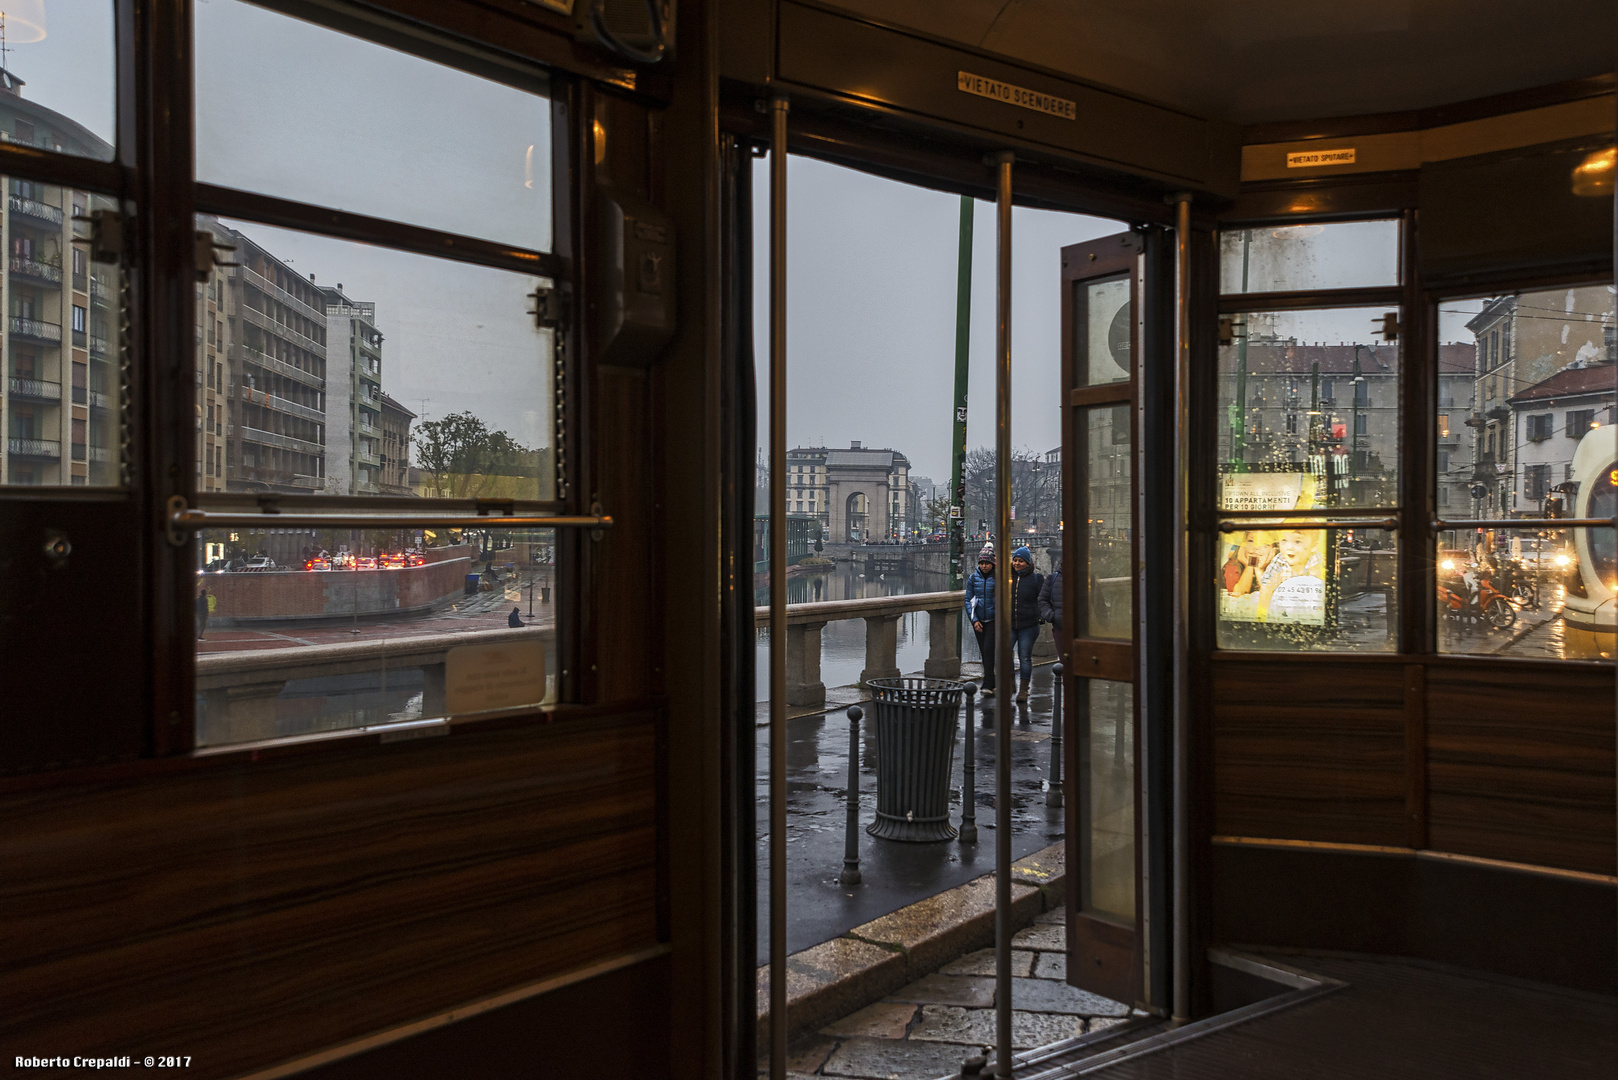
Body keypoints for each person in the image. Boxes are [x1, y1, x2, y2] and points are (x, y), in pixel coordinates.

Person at [1008, 546, 1044, 702]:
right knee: (1004, 655)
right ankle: (1010, 683)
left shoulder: (1036, 579)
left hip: (1028, 625)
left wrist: (1040, 616)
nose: (1016, 563)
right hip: (1009, 624)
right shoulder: (1007, 578)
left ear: (1028, 563)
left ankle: (1023, 690)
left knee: (1025, 658)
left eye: (1020, 561)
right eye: (1015, 560)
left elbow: (1043, 599)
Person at [964, 543, 997, 696]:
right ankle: (992, 680)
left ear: (992, 563)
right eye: (982, 563)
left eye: (987, 563)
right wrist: (974, 620)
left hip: (993, 620)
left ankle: (988, 683)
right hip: (979, 620)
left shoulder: (998, 577)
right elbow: (968, 600)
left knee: (989, 649)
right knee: (984, 652)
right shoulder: (973, 578)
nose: (984, 566)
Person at [1038, 558, 1063, 646]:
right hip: (1060, 628)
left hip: (1084, 630)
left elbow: (1099, 604)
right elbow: (1042, 599)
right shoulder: (1052, 578)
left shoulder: (1088, 578)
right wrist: (1051, 616)